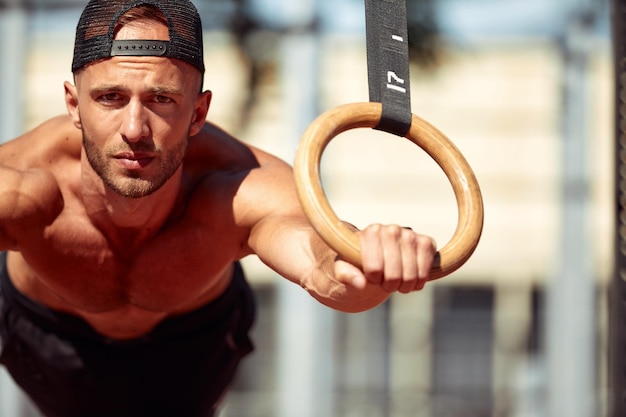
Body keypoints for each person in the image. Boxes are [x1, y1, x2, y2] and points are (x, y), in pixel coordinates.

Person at [0, 0, 437, 416]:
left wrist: (367, 265)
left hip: (192, 345)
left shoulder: (237, 187)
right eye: (110, 98)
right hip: (48, 336)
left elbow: (324, 267)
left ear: (198, 112)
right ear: (74, 105)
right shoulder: (24, 188)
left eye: (162, 100)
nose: (135, 129)